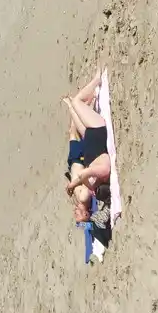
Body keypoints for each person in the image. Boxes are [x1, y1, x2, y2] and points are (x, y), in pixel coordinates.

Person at [62, 68, 111, 225]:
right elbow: (84, 173)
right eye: (79, 214)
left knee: (76, 113)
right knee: (77, 102)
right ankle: (97, 79)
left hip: (89, 137)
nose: (75, 211)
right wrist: (72, 185)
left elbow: (86, 177)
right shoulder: (103, 171)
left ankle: (75, 105)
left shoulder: (93, 184)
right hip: (96, 130)